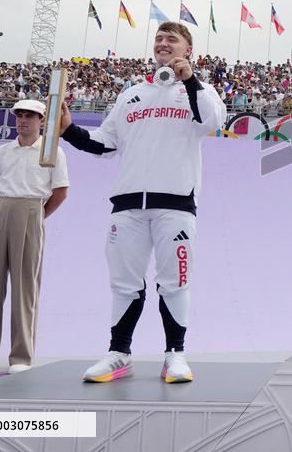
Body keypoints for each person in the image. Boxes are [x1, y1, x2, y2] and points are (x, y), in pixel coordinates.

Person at [58, 21, 226, 383]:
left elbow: (212, 122)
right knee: (124, 283)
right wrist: (69, 130)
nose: (164, 43)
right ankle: (119, 355)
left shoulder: (201, 90)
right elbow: (105, 142)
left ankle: (175, 355)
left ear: (188, 50)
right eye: (159, 39)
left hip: (176, 204)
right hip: (128, 205)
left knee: (175, 281)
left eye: (172, 39)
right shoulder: (131, 94)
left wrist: (190, 80)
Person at [0, 100, 69, 375]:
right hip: (2, 210)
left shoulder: (53, 151)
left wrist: (36, 216)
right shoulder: (1, 152)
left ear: (41, 120)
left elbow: (60, 192)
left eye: (30, 116)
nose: (23, 121)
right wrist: (8, 210)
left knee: (25, 288)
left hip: (33, 210)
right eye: (19, 116)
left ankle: (21, 356)